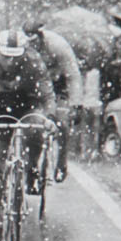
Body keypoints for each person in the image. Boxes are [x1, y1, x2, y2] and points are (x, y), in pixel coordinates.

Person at [0, 30, 57, 241]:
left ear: (24, 52)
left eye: (15, 57)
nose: (10, 62)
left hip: (27, 104)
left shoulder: (33, 60)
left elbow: (47, 93)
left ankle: (31, 169)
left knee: (36, 131)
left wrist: (50, 117)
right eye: (6, 56)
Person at [23, 18, 83, 182]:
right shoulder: (23, 47)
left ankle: (61, 163)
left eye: (34, 41)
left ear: (40, 36)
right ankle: (32, 165)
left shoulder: (58, 45)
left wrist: (76, 104)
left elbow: (73, 75)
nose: (32, 45)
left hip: (59, 83)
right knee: (32, 125)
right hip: (36, 84)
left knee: (61, 123)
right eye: (29, 42)